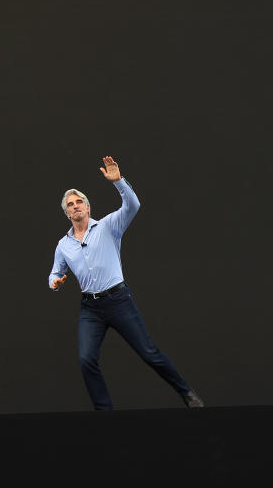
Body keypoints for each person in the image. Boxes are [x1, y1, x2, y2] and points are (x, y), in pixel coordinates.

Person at [48, 156, 203, 410]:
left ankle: (186, 393)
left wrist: (118, 181)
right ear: (67, 212)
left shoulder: (108, 226)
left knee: (149, 353)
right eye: (70, 204)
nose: (75, 206)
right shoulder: (63, 245)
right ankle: (104, 412)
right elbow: (54, 273)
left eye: (79, 202)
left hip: (118, 301)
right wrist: (55, 282)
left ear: (87, 207)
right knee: (86, 359)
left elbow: (132, 205)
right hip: (91, 308)